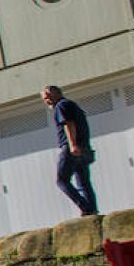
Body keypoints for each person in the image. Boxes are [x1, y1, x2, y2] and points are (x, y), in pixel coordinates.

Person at [43, 86, 99, 216]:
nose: (46, 102)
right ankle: (92, 209)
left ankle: (85, 207)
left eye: (46, 98)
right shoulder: (72, 105)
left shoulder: (61, 106)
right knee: (83, 182)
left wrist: (72, 145)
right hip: (84, 147)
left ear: (51, 95)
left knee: (62, 180)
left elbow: (69, 124)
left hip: (71, 148)